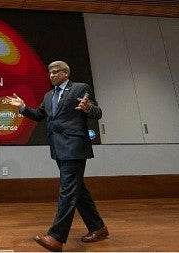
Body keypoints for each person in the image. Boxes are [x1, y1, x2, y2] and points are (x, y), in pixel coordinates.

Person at [6, 61, 108, 252]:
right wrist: (22, 107)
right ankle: (98, 227)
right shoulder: (48, 95)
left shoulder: (80, 88)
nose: (51, 75)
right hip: (58, 148)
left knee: (67, 190)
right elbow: (38, 115)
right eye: (49, 73)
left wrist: (87, 108)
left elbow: (97, 112)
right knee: (77, 191)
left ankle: (56, 237)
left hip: (75, 146)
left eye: (56, 72)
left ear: (66, 73)